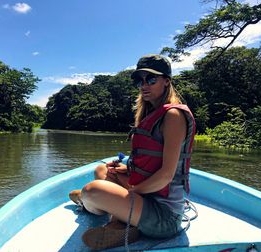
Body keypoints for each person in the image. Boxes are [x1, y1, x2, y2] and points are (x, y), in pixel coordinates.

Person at [69, 54, 195, 250]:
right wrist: (125, 167)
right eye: (140, 80)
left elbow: (166, 176)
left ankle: (100, 211)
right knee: (102, 171)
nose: (144, 85)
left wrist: (129, 192)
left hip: (164, 217)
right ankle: (115, 217)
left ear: (166, 81)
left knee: (92, 190)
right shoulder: (149, 114)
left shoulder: (173, 116)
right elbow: (147, 161)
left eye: (151, 79)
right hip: (146, 198)